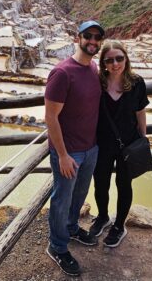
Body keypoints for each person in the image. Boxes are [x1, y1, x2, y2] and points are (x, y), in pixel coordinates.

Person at [44, 20, 104, 276]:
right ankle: (57, 246)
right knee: (61, 199)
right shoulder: (62, 73)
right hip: (69, 153)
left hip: (90, 148)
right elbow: (51, 117)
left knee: (79, 194)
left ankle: (70, 228)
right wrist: (62, 155)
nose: (93, 41)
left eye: (97, 37)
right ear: (77, 37)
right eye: (88, 36)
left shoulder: (93, 68)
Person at [86, 41, 148, 248]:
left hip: (128, 144)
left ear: (126, 59)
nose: (115, 64)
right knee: (101, 182)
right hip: (102, 143)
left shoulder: (137, 83)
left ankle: (119, 225)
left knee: (124, 184)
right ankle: (103, 217)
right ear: (103, 63)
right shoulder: (96, 83)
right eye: (110, 60)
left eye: (119, 58)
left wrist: (143, 139)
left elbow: (140, 112)